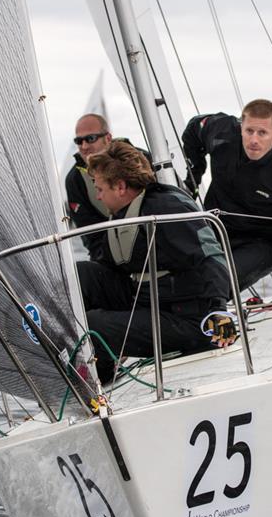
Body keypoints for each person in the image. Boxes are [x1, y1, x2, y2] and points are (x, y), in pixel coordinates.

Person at [77, 141, 234, 384]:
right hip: (147, 299)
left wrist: (218, 311)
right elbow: (109, 267)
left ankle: (102, 383)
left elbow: (210, 258)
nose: (97, 195)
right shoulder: (123, 214)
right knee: (82, 275)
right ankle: (95, 368)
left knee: (93, 325)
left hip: (189, 319)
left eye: (99, 188)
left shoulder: (165, 208)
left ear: (119, 187)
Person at [182, 99, 272, 297]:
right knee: (177, 275)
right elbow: (193, 130)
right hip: (217, 227)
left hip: (264, 241)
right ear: (241, 127)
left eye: (262, 133)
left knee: (215, 282)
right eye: (249, 131)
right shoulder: (221, 131)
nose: (254, 140)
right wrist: (192, 180)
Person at [65, 113, 151, 261]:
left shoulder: (141, 159)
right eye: (79, 141)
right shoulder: (75, 180)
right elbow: (91, 235)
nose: (84, 146)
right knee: (83, 272)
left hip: (153, 243)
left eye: (90, 138)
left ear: (108, 138)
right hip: (112, 256)